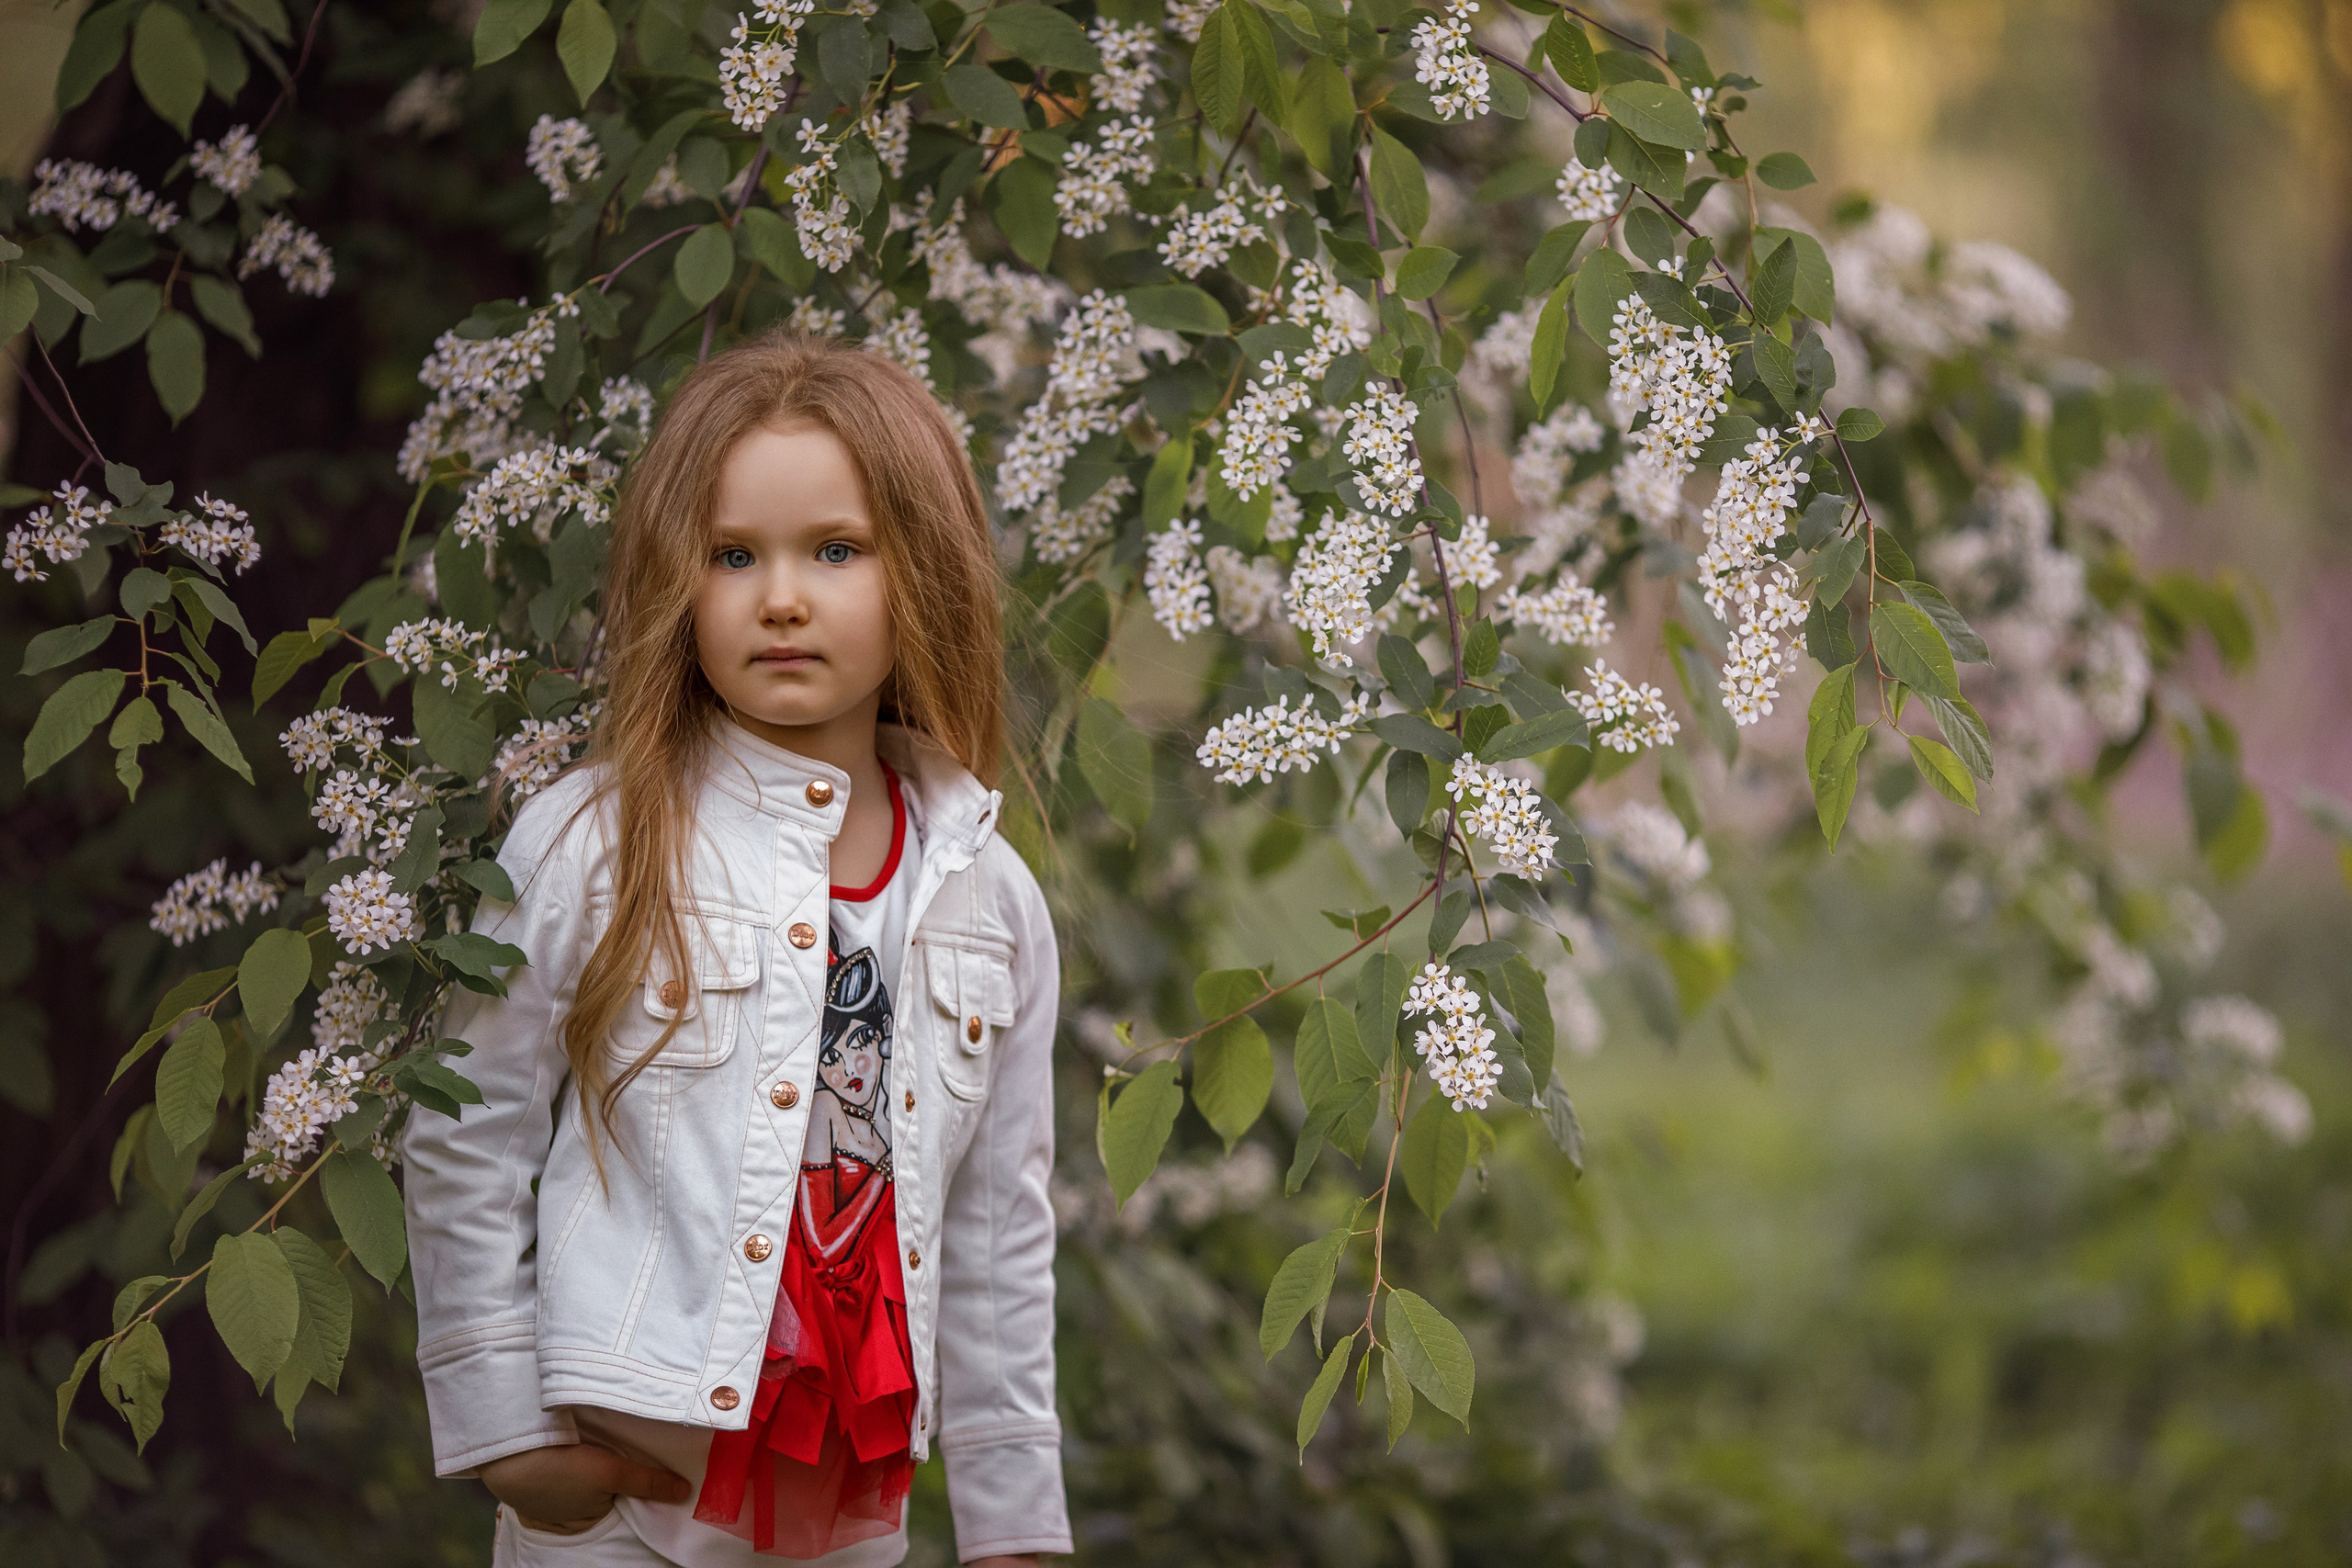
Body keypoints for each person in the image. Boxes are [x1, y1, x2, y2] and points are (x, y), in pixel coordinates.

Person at [401, 333, 1067, 1568]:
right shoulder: (595, 840)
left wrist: (1013, 1528)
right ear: (675, 580)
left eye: (835, 550)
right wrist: (507, 1433)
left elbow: (996, 1229)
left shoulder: (992, 896)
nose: (781, 597)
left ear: (921, 567)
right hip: (612, 1509)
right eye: (731, 555)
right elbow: (467, 1126)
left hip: (847, 1517)